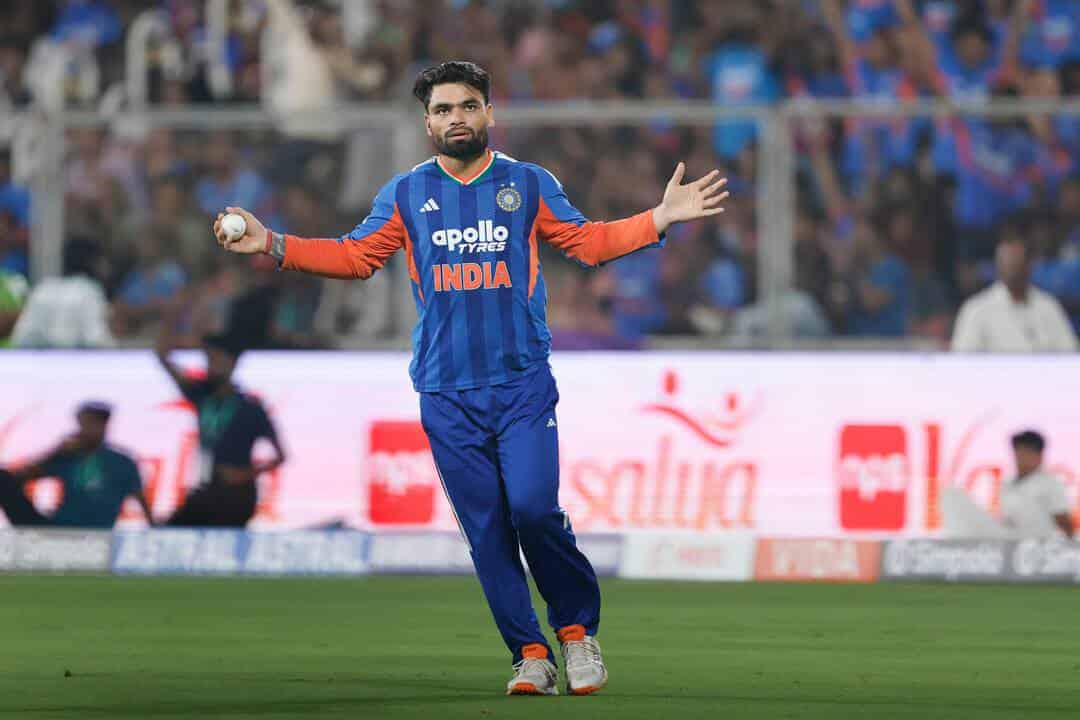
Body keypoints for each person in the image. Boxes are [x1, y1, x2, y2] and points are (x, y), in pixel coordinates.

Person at [210, 61, 729, 696]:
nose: (456, 118)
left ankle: (576, 632)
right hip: (445, 393)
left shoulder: (527, 183)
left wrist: (658, 218)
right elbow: (356, 257)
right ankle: (530, 654)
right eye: (442, 110)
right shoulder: (405, 193)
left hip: (520, 385)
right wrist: (271, 242)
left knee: (534, 511)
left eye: (467, 106)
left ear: (489, 113)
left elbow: (587, 243)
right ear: (427, 123)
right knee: (486, 531)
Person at [155, 329, 285, 527]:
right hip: (208, 487)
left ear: (232, 363)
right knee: (170, 532)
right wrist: (186, 336)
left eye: (216, 359)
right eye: (208, 359)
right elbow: (163, 358)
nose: (210, 365)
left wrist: (243, 474)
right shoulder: (202, 395)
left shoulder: (250, 408)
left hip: (236, 494)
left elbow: (281, 456)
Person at [0, 401, 152, 528]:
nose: (83, 429)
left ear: (104, 425)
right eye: (82, 424)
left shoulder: (122, 461)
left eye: (90, 424)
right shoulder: (68, 455)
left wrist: (153, 527)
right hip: (57, 528)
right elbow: (17, 478)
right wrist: (55, 452)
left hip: (93, 533)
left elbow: (140, 497)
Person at [951, 237, 1078, 351]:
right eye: (1007, 261)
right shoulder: (976, 309)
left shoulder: (1048, 306)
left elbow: (1070, 353)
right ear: (998, 266)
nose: (1012, 267)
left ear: (1029, 265)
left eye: (1016, 261)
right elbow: (964, 362)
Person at [940, 430, 1073, 539]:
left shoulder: (1050, 483)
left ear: (1038, 455)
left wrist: (1070, 549)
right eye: (1018, 452)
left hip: (1032, 541)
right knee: (951, 494)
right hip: (1007, 536)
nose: (1020, 457)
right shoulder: (1007, 483)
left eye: (1026, 453)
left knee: (953, 495)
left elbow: (1063, 519)